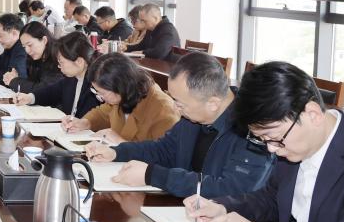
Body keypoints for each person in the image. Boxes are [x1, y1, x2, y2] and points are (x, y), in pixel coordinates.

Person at [185, 61, 344, 222]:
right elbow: (272, 198)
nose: (271, 150)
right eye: (263, 140)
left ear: (312, 114)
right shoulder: (293, 144)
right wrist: (223, 207)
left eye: (274, 138)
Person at [86, 52, 274, 198]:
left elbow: (230, 189)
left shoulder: (253, 130)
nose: (175, 108)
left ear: (213, 103)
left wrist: (152, 175)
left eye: (180, 103)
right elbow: (164, 149)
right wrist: (117, 152)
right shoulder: (192, 118)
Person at [63, 52, 179, 144]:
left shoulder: (163, 110)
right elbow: (102, 114)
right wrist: (85, 123)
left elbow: (164, 155)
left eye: (102, 93)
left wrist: (121, 142)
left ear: (121, 86)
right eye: (96, 92)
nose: (100, 97)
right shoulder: (122, 97)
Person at [13, 32, 101, 118]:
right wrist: (30, 98)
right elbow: (52, 92)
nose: (59, 66)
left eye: (61, 62)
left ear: (79, 62)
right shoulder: (72, 78)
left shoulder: (97, 85)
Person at [5, 21, 64, 93]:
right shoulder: (35, 58)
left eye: (30, 45)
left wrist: (14, 81)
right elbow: (33, 84)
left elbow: (45, 90)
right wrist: (15, 78)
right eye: (24, 47)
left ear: (44, 40)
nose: (27, 51)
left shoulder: (59, 58)